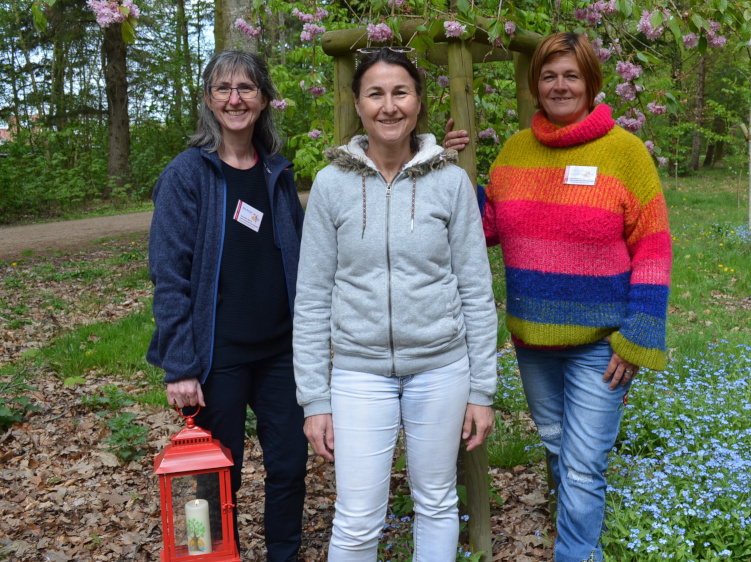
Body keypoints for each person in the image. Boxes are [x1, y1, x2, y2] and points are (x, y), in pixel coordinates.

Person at [444, 32, 672, 562]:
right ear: (536, 85)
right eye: (549, 76)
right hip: (534, 343)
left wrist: (637, 334)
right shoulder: (516, 150)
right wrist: (447, 172)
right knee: (558, 449)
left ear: (591, 82)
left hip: (601, 345)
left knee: (582, 463)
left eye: (571, 75)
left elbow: (654, 247)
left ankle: (576, 553)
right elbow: (483, 229)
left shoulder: (624, 152)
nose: (560, 85)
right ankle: (572, 533)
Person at [292, 47, 497, 562]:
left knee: (436, 502)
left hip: (441, 369)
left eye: (400, 92)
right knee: (358, 519)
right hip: (359, 374)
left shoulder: (450, 182)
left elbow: (475, 288)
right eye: (376, 94)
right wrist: (315, 398)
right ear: (357, 104)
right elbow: (312, 298)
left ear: (418, 102)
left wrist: (482, 389)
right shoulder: (330, 185)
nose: (389, 106)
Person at [146, 49, 308, 562]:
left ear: (263, 99)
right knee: (216, 473)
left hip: (282, 353)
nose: (235, 99)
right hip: (218, 356)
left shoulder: (277, 175)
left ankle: (284, 553)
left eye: (246, 88)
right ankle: (210, 555)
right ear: (209, 100)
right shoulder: (187, 174)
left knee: (290, 466)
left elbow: (305, 260)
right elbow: (168, 275)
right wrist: (180, 364)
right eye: (223, 89)